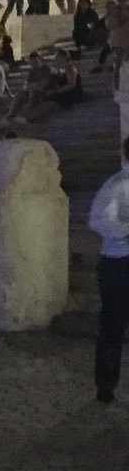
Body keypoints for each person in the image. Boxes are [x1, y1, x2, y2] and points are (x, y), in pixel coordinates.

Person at [89, 137, 129, 403]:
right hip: (119, 263)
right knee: (113, 326)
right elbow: (97, 220)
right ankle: (105, 386)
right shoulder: (117, 184)